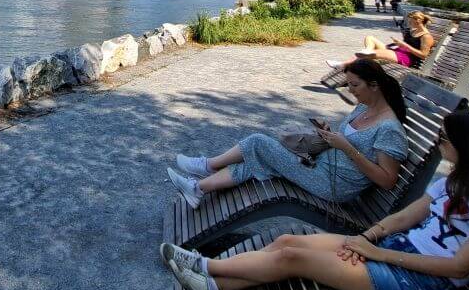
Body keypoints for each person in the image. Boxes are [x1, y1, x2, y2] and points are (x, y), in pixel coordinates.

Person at [160, 111, 469, 290]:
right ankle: (215, 286)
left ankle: (204, 267)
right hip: (393, 252)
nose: (438, 142)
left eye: (444, 137)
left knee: (293, 258)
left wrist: (379, 254)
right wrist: (369, 239)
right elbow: (402, 218)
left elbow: (459, 268)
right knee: (287, 241)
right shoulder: (453, 184)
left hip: (418, 289)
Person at [167, 59, 408, 210]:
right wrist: (330, 134)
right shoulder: (363, 108)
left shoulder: (389, 129)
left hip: (332, 186)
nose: (351, 91)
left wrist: (346, 147)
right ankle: (198, 188)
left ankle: (207, 166)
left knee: (258, 143)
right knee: (258, 160)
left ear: (374, 85)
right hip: (319, 168)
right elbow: (349, 143)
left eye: (355, 86)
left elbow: (387, 180)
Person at [325, 10, 435, 72]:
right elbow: (407, 43)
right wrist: (399, 43)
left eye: (411, 21)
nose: (409, 23)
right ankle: (366, 50)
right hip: (398, 50)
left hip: (406, 58)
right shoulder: (414, 30)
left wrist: (404, 45)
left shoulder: (427, 36)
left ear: (419, 21)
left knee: (373, 54)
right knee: (370, 38)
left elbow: (423, 55)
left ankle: (343, 64)